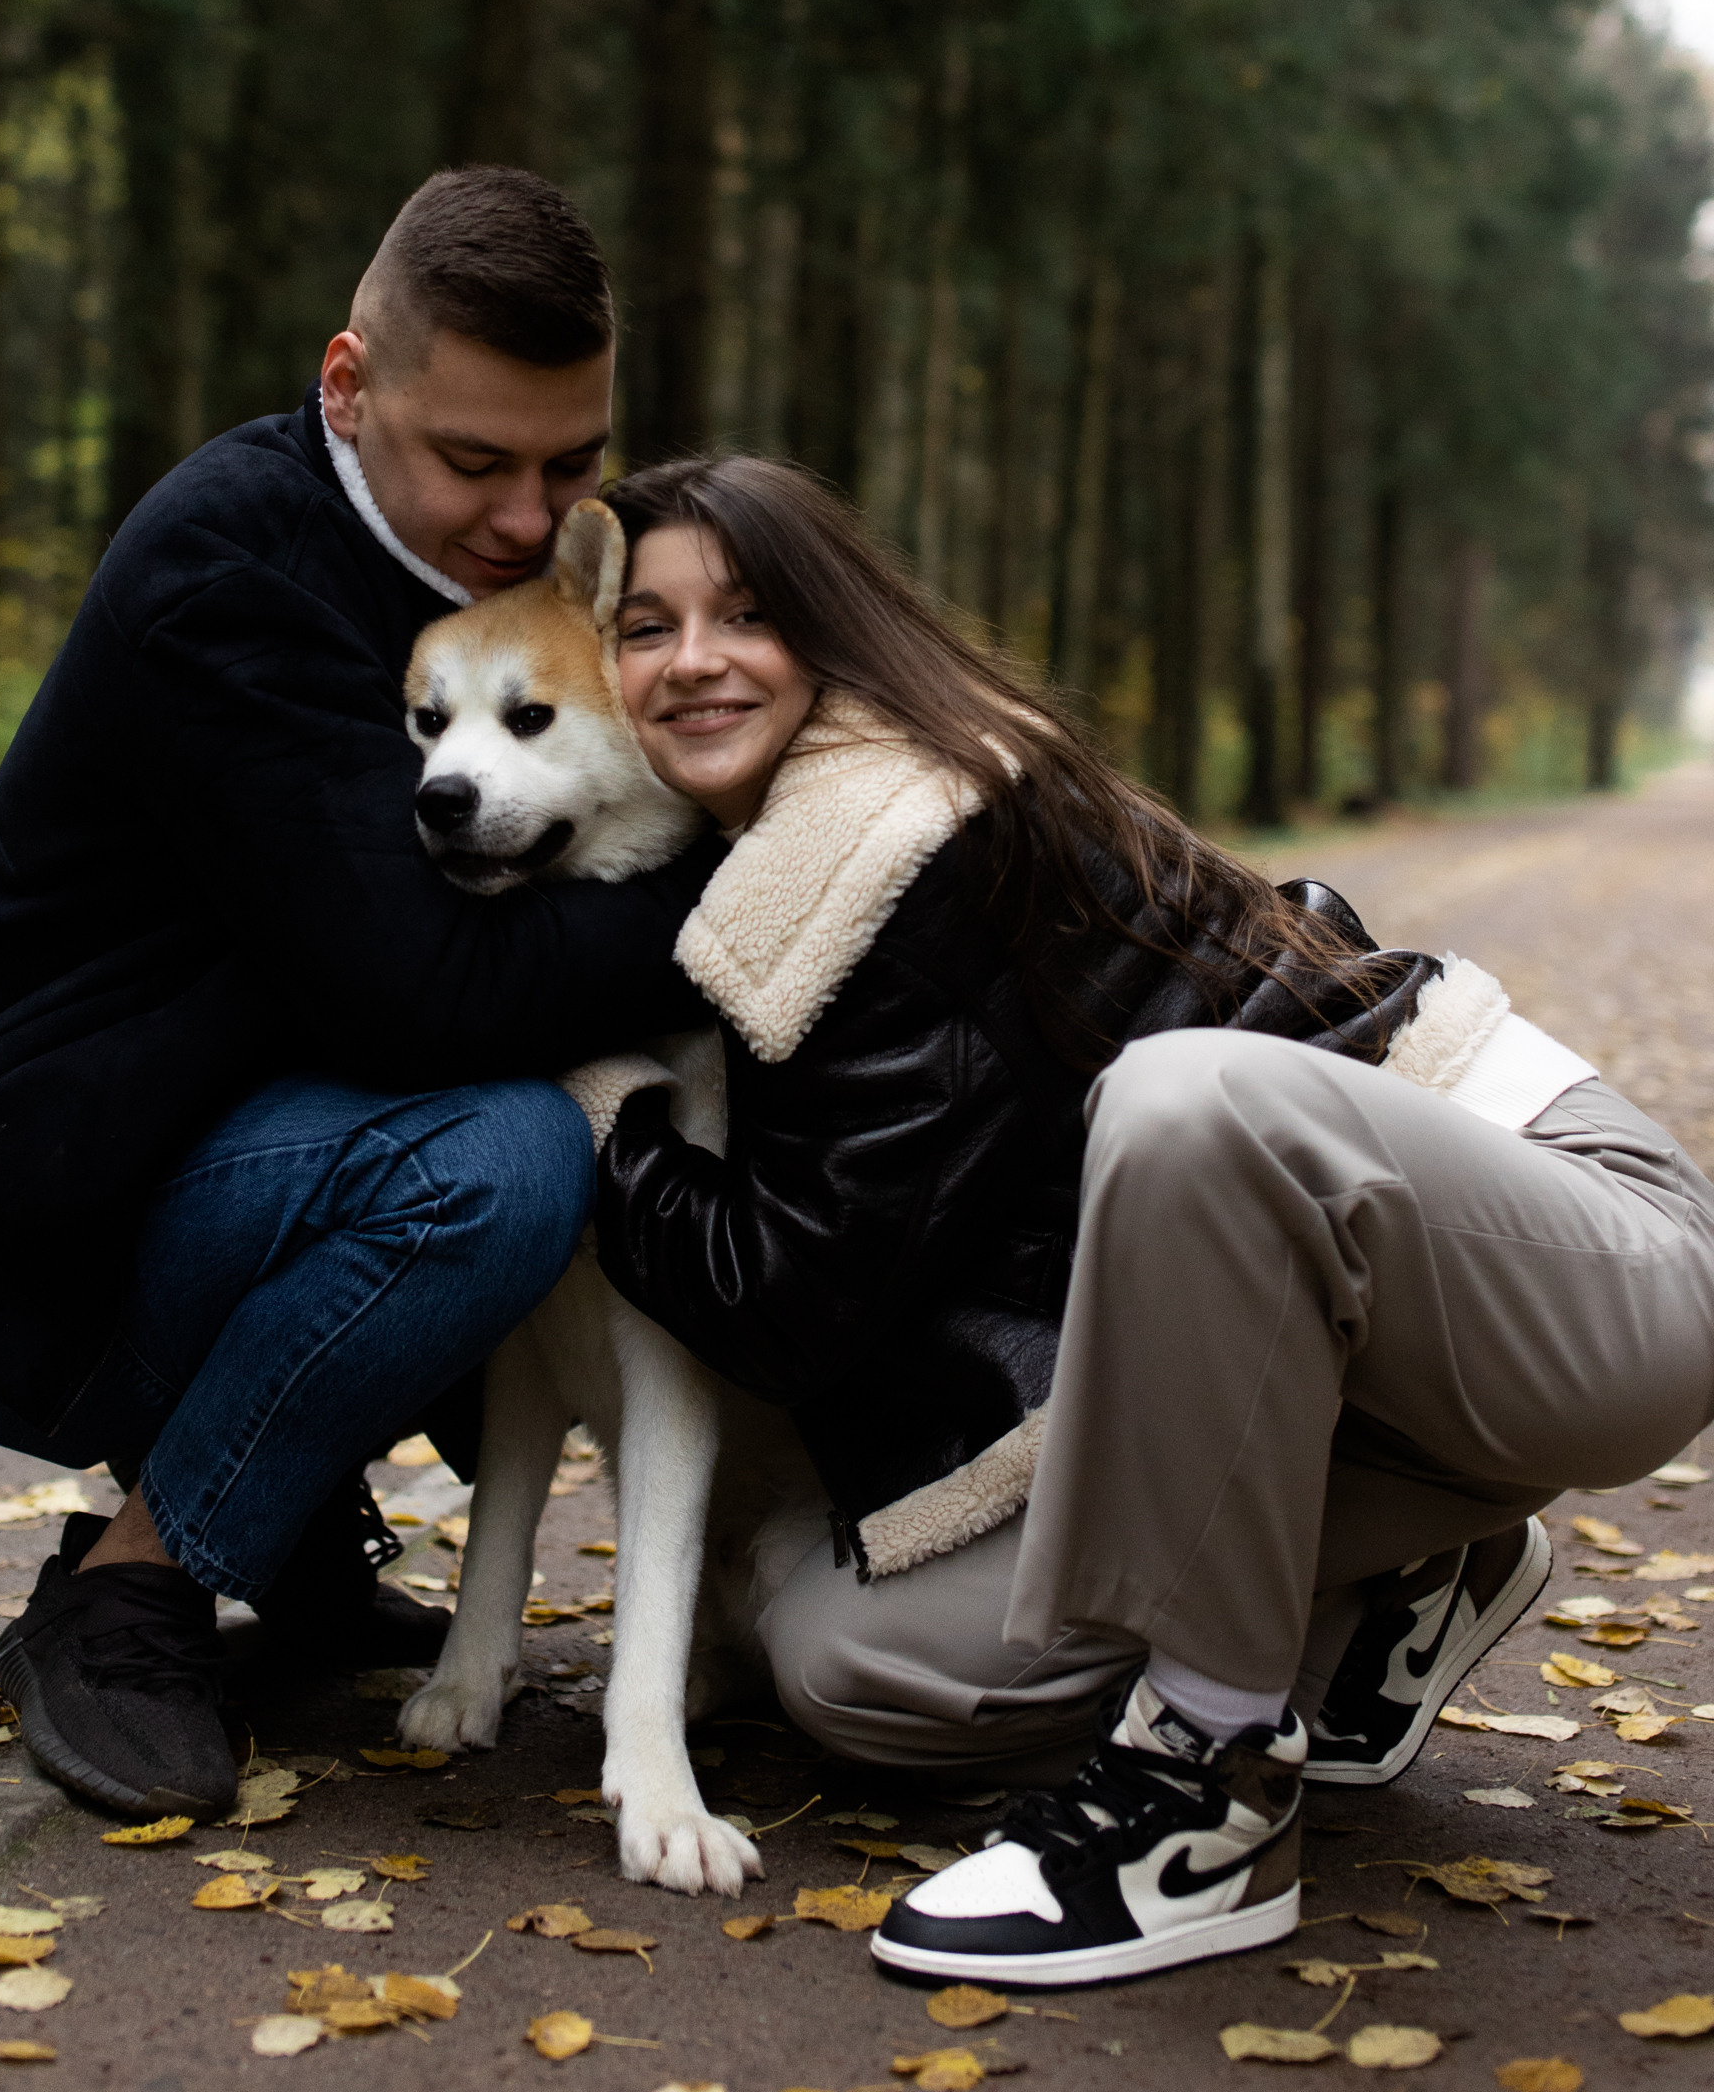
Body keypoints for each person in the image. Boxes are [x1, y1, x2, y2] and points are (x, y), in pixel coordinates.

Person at [588, 453, 1714, 1989]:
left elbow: (785, 1295)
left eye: (748, 612)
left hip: (1590, 1262)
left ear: (838, 632)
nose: (693, 659)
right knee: (855, 1670)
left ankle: (1209, 1792)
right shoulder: (786, 852)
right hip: (1361, 1358)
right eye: (645, 627)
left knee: (1186, 1104)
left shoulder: (900, 835)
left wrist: (591, 1110)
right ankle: (1402, 1573)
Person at [0, 168, 720, 1826]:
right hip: (43, 1196)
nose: (528, 516)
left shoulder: (511, 575)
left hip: (232, 1126)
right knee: (507, 1157)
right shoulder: (229, 573)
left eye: (569, 463)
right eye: (473, 461)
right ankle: (137, 1589)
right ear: (348, 385)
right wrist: (743, 897)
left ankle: (291, 1534)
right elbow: (425, 999)